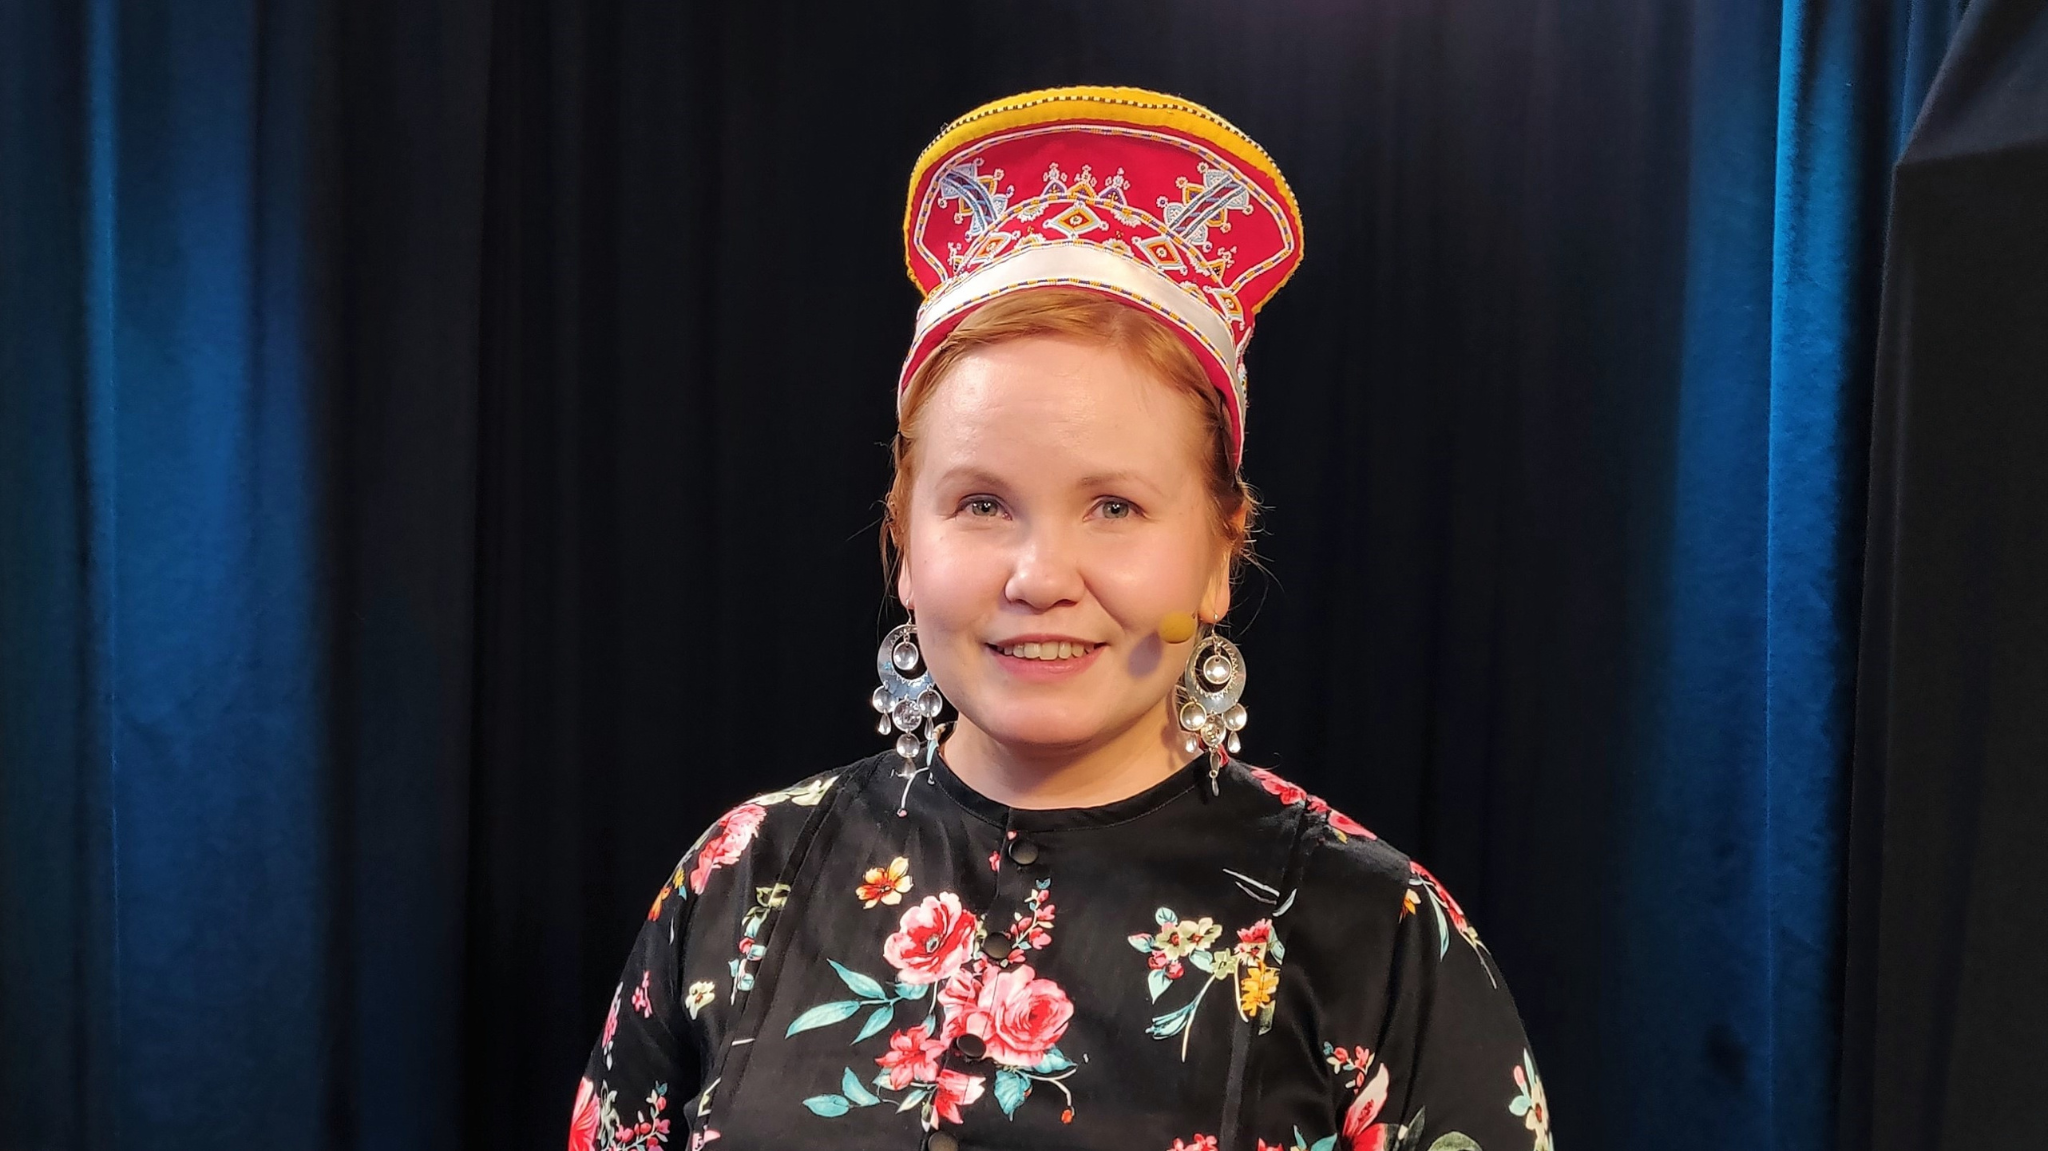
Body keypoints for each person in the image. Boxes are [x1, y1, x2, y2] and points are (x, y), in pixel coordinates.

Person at [569, 86, 1551, 1151]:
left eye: (1114, 507)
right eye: (982, 504)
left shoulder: (1375, 939)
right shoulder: (742, 879)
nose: (1040, 577)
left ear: (1219, 555)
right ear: (904, 542)